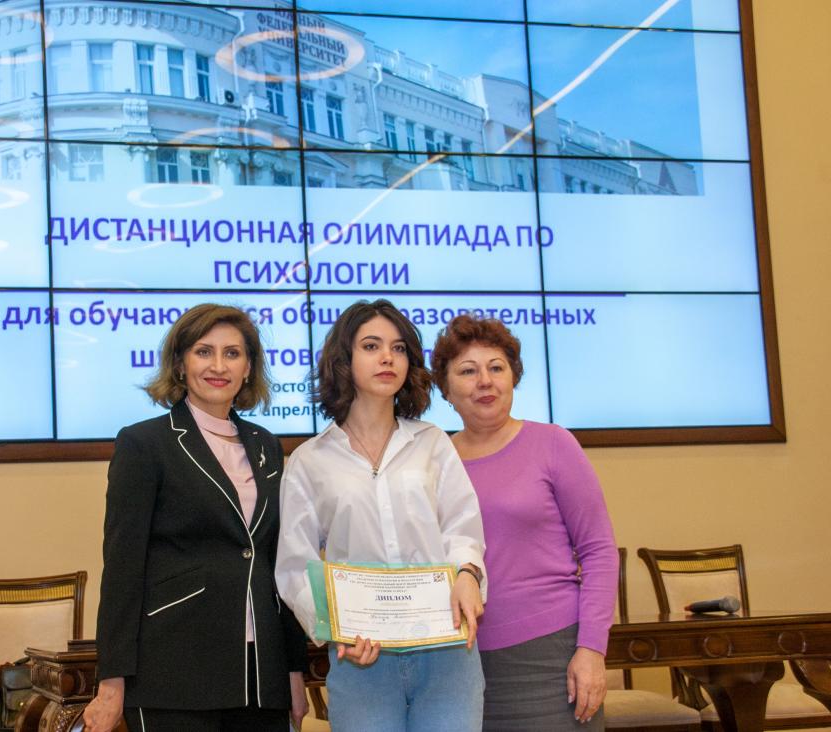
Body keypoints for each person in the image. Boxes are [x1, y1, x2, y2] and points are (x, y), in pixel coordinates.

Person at [83, 303, 309, 732]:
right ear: (180, 364)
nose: (218, 366)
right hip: (174, 669)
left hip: (260, 673)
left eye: (232, 353)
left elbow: (278, 561)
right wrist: (111, 681)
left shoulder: (266, 445)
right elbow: (123, 568)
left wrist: (293, 669)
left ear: (248, 368)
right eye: (204, 352)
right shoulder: (144, 444)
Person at [276, 298, 487, 732]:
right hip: (361, 659)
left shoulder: (432, 442)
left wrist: (468, 573)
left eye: (399, 348)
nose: (388, 357)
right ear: (343, 359)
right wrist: (335, 627)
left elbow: (462, 528)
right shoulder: (309, 460)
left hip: (447, 651)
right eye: (371, 346)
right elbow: (295, 566)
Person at [430, 315, 619, 731]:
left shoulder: (553, 444)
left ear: (513, 377)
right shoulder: (432, 461)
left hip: (552, 659)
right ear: (445, 389)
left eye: (496, 368)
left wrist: (592, 650)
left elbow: (599, 552)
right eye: (468, 371)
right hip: (458, 663)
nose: (485, 381)